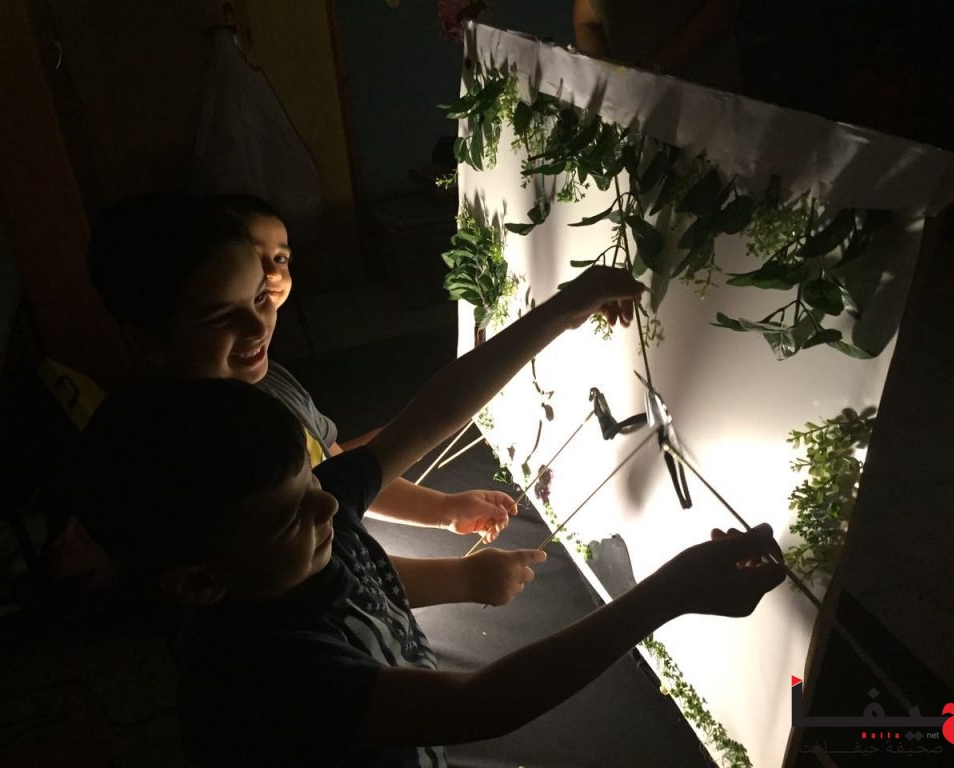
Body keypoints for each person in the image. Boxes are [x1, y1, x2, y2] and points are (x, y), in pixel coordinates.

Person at [77, 266, 785, 767]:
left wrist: (559, 311)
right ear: (200, 582)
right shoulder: (264, 677)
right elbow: (479, 704)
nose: (329, 504)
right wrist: (667, 595)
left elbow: (429, 416)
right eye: (289, 517)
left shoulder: (300, 520)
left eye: (310, 482)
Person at [86, 192, 515, 542]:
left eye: (259, 296)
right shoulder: (205, 459)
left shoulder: (271, 379)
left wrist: (443, 510)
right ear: (148, 343)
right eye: (221, 317)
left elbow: (338, 469)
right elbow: (314, 569)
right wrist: (460, 579)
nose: (259, 326)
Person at [572, 0, 743, 93]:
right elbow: (586, 20)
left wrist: (654, 68)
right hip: (627, 105)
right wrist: (606, 83)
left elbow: (723, 7)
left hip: (704, 94)